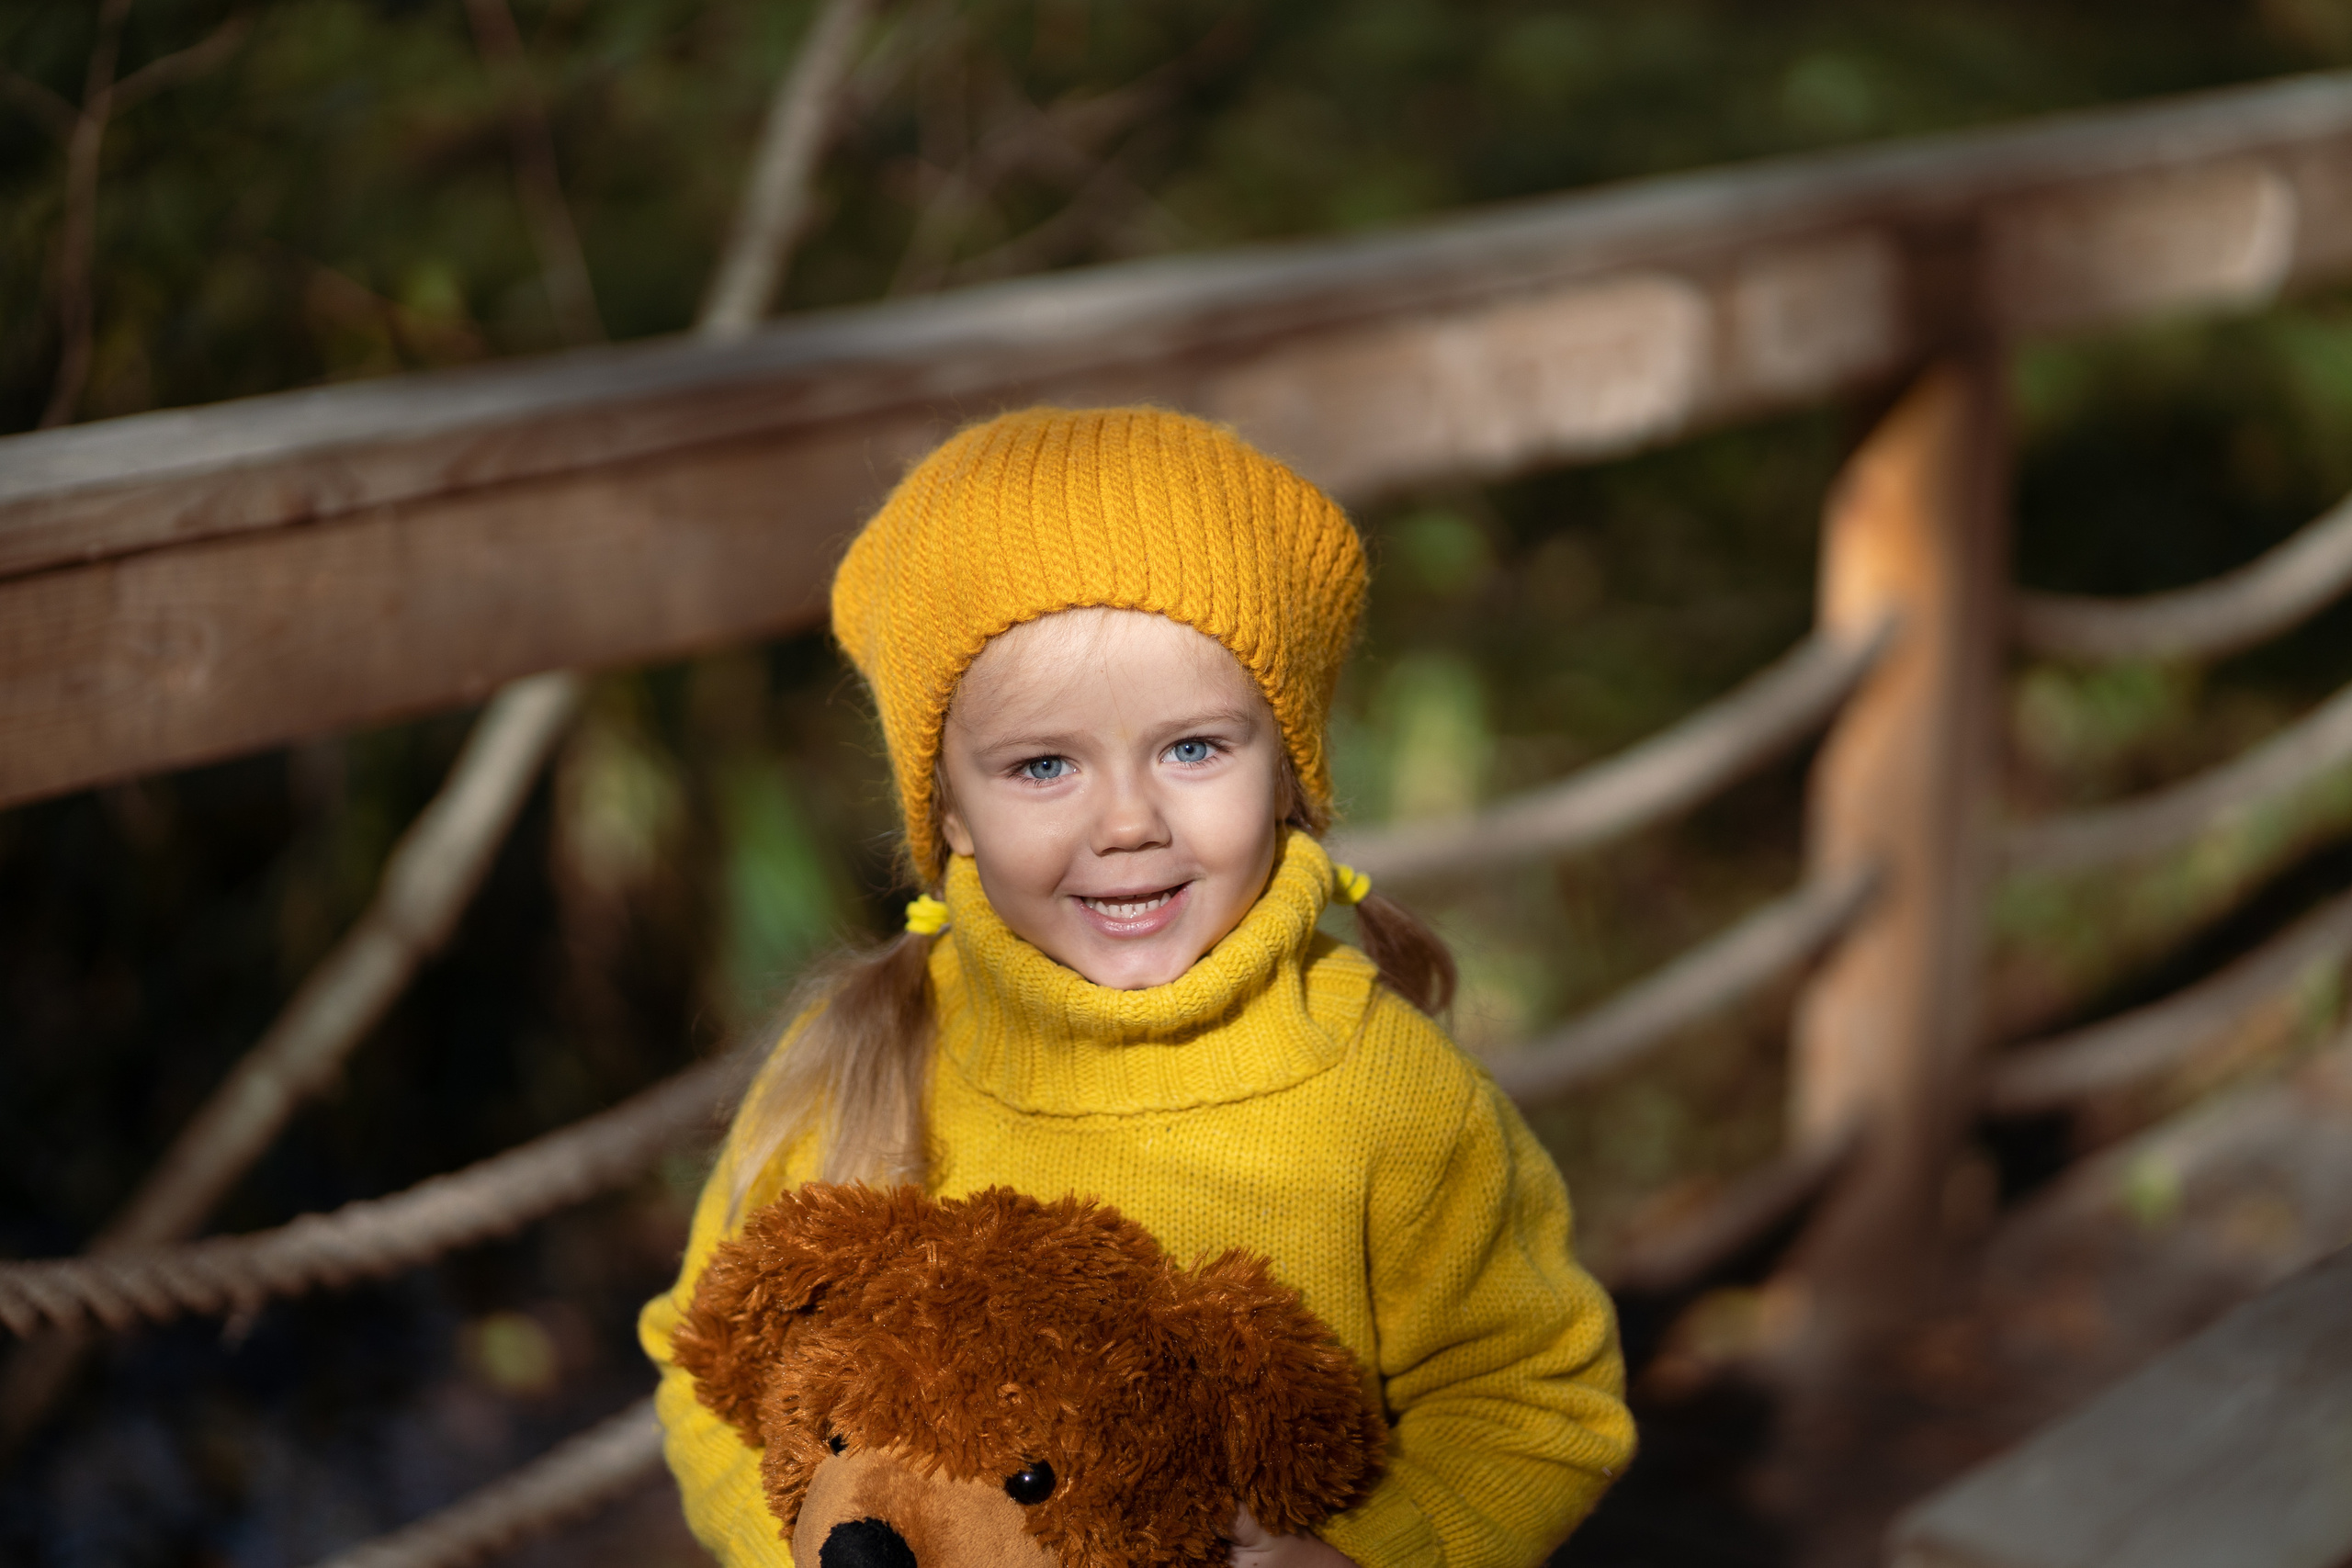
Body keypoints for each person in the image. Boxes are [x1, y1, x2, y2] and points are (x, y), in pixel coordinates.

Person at [639, 405, 1633, 1568]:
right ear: (949, 811)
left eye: (1192, 749)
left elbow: (1528, 1398)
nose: (1126, 823)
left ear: (1287, 773)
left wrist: (1377, 1555)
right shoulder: (865, 1059)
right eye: (1042, 765)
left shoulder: (1385, 1093)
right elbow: (714, 1372)